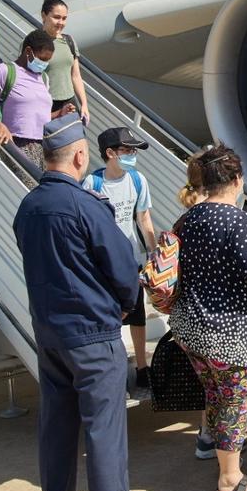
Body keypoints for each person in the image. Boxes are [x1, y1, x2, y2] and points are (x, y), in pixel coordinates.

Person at [13, 113, 159, 491]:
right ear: (80, 155)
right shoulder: (86, 206)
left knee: (56, 428)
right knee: (104, 431)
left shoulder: (29, 207)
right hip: (93, 336)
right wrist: (124, 301)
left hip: (50, 335)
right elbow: (123, 273)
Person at [168, 145, 247, 491]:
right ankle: (230, 477)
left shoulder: (186, 219)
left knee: (215, 394)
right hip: (233, 334)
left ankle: (215, 445)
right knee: (234, 401)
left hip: (193, 329)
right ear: (236, 180)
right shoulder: (238, 220)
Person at [84, 127, 157, 389]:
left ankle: (141, 367)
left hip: (132, 261)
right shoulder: (92, 184)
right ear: (110, 153)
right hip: (104, 266)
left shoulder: (138, 180)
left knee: (137, 315)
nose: (132, 155)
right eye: (127, 150)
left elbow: (143, 217)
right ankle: (113, 367)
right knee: (111, 318)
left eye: (133, 150)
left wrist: (152, 252)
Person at [0, 30, 55, 186]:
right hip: (17, 143)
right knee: (29, 190)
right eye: (42, 59)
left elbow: (36, 114)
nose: (44, 64)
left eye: (47, 61)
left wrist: (60, 113)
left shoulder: (44, 78)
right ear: (28, 51)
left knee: (43, 192)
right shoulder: (4, 71)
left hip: (45, 145)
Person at [39, 0, 89, 125]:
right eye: (56, 17)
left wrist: (84, 104)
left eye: (64, 18)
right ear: (44, 16)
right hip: (45, 105)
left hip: (69, 103)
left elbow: (76, 76)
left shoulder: (69, 41)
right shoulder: (33, 43)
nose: (61, 23)